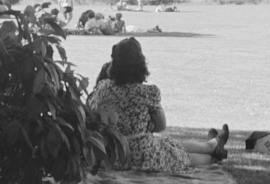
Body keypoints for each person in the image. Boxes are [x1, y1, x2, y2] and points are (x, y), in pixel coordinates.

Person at [88, 37, 228, 171]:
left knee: (168, 144)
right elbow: (161, 126)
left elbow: (91, 111)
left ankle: (213, 145)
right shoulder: (148, 92)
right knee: (182, 156)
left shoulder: (103, 88)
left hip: (111, 153)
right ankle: (214, 154)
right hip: (141, 154)